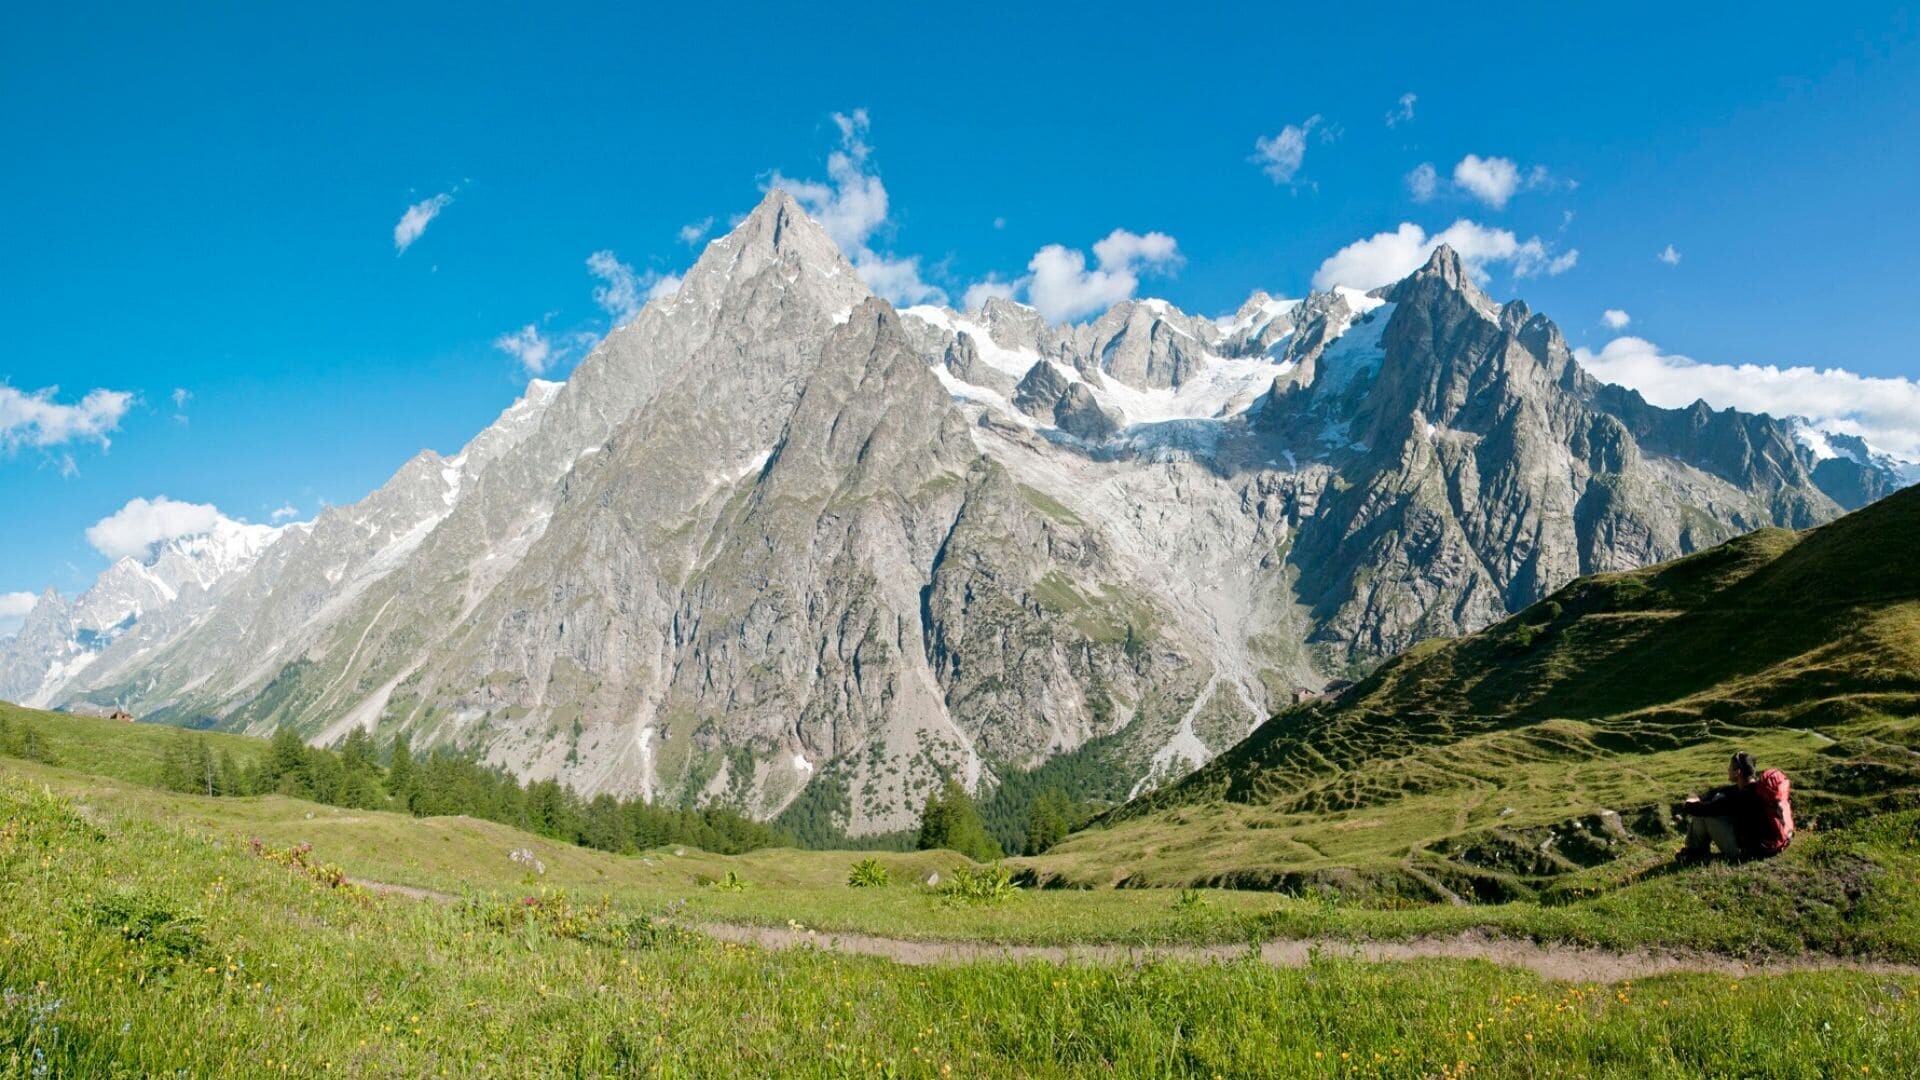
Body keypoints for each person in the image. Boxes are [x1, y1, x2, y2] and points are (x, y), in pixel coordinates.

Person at [1677, 751, 1795, 860]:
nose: (1727, 770)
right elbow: (1724, 789)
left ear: (1737, 772)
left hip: (1750, 852)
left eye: (1730, 767)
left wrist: (1689, 802)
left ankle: (1694, 853)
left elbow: (1701, 810)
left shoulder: (1738, 797)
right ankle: (1694, 852)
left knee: (1704, 817)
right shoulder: (1758, 790)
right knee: (1712, 811)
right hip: (1770, 845)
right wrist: (1706, 796)